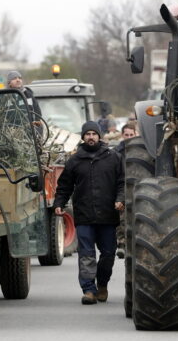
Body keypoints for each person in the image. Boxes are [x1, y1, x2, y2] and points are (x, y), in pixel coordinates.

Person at [53, 121, 125, 304]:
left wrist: (120, 199)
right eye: (87, 134)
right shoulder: (75, 161)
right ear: (83, 137)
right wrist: (59, 203)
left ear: (99, 136)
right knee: (86, 254)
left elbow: (122, 183)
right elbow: (64, 186)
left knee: (108, 253)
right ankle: (89, 290)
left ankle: (102, 284)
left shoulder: (113, 158)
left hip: (108, 215)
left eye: (94, 134)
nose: (91, 137)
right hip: (84, 215)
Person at [115, 123, 138, 259]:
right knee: (122, 218)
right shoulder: (117, 152)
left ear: (136, 134)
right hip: (122, 186)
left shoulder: (145, 150)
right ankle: (122, 244)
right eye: (126, 135)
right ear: (122, 135)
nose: (129, 137)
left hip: (137, 185)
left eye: (131, 135)